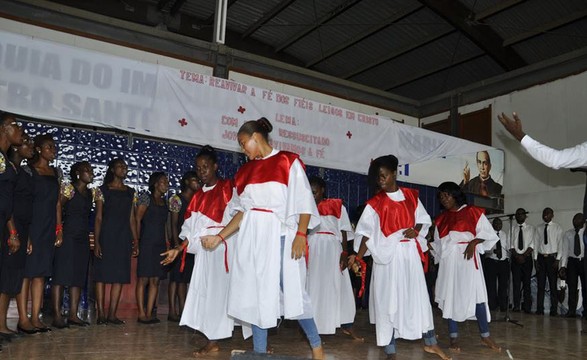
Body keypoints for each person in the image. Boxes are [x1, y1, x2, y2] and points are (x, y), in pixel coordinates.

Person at [199, 117, 324, 359]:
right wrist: (219, 237)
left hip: (280, 234)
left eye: (243, 143)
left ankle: (316, 345)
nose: (243, 149)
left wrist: (301, 234)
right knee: (257, 293)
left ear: (256, 138)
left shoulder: (288, 161)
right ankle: (259, 352)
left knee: (292, 290)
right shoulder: (244, 172)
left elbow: (304, 201)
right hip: (252, 238)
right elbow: (241, 212)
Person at [350, 155, 450, 360]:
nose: (381, 181)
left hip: (410, 256)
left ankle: (431, 343)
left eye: (384, 176)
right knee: (388, 302)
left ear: (394, 174)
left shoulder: (411, 196)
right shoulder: (375, 203)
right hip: (388, 257)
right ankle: (390, 350)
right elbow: (366, 233)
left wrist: (416, 229)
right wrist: (358, 258)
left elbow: (423, 220)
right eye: (378, 178)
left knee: (419, 298)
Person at [161, 145, 236, 356]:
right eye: (198, 167)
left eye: (205, 166)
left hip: (223, 248)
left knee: (226, 295)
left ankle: (259, 340)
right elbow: (190, 231)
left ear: (215, 166)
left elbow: (239, 219)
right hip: (205, 252)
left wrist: (221, 239)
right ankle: (212, 339)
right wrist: (178, 249)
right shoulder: (197, 197)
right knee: (207, 295)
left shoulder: (227, 188)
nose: (201, 171)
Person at [433, 181, 500, 352]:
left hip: (469, 260)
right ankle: (453, 338)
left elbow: (489, 234)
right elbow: (438, 247)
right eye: (441, 197)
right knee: (451, 297)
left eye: (447, 195)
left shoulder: (472, 211)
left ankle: (485, 336)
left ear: (455, 194)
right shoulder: (440, 220)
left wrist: (474, 242)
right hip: (450, 263)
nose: (444, 199)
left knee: (477, 296)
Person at [306, 176, 362, 340]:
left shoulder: (337, 205)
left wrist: (344, 253)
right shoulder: (305, 206)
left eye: (315, 192)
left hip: (332, 247)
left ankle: (346, 324)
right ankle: (312, 327)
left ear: (322, 190)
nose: (312, 195)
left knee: (338, 285)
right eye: (309, 192)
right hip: (314, 246)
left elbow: (344, 230)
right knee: (314, 285)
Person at [22, 134, 61, 332]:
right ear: (38, 149)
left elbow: (57, 204)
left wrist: (59, 228)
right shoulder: (28, 171)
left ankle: (35, 317)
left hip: (48, 226)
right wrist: (25, 233)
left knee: (41, 273)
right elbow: (24, 202)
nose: (53, 149)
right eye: (48, 146)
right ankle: (23, 319)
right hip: (32, 225)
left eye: (54, 147)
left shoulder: (56, 172)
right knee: (27, 273)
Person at [93, 158, 139, 325]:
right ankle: (101, 314)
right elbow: (98, 218)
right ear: (112, 169)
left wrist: (135, 240)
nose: (123, 168)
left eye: (125, 166)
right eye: (120, 166)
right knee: (101, 276)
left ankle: (112, 314)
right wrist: (97, 242)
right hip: (106, 236)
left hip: (123, 237)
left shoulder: (131, 192)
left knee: (119, 276)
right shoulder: (101, 190)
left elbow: (132, 219)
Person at [51, 161, 95, 328]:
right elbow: (58, 206)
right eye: (87, 170)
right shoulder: (69, 188)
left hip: (82, 237)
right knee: (61, 275)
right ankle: (56, 315)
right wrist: (59, 230)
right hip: (68, 234)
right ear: (78, 173)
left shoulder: (90, 193)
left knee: (78, 276)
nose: (91, 173)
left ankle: (73, 315)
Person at [5, 133, 35, 336]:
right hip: (10, 228)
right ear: (16, 147)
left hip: (23, 229)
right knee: (6, 276)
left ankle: (3, 326)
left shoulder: (23, 172)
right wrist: (13, 232)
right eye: (27, 142)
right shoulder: (7, 167)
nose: (30, 145)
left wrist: (27, 236)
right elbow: (8, 206)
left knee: (13, 278)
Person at [0, 113, 23, 344]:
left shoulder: (5, 160)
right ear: (5, 128)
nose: (21, 131)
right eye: (17, 126)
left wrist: (12, 231)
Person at [135, 171, 169, 324]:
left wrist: (168, 243)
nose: (166, 184)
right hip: (147, 243)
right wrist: (136, 240)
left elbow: (165, 225)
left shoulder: (165, 202)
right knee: (143, 280)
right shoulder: (145, 198)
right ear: (155, 184)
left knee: (155, 280)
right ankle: (141, 313)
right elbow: (137, 219)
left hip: (160, 245)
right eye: (163, 182)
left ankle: (149, 313)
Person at [166, 171, 199, 322]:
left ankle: (183, 310)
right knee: (175, 278)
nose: (197, 182)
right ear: (186, 182)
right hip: (178, 245)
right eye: (194, 180)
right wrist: (175, 244)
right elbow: (172, 224)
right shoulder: (176, 199)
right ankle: (172, 311)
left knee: (184, 279)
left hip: (191, 245)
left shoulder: (197, 199)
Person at [534, 207, 563, 316]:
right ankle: (539, 309)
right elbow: (536, 244)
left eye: (548, 213)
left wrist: (558, 259)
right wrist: (535, 259)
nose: (545, 215)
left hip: (552, 259)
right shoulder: (539, 228)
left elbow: (560, 244)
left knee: (552, 285)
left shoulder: (557, 228)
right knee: (540, 285)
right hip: (541, 258)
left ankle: (554, 310)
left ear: (552, 215)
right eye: (544, 213)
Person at [559, 213, 586, 317]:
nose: (574, 221)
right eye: (574, 219)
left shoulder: (585, 233)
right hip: (572, 262)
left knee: (585, 287)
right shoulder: (568, 234)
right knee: (572, 287)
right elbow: (565, 250)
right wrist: (563, 266)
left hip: (584, 261)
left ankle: (585, 311)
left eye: (577, 219)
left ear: (583, 221)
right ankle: (571, 311)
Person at [510, 208, 536, 314]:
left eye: (521, 214)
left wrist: (524, 256)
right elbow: (510, 245)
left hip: (527, 259)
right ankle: (516, 306)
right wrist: (517, 256)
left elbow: (532, 244)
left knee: (526, 283)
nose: (519, 216)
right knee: (516, 283)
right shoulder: (512, 229)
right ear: (515, 216)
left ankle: (527, 307)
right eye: (517, 214)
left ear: (525, 216)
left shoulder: (531, 229)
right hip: (515, 259)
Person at [484, 218, 511, 312]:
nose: (498, 225)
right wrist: (493, 250)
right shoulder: (488, 234)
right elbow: (484, 249)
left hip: (503, 262)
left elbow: (507, 247)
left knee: (503, 284)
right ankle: (492, 305)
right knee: (491, 284)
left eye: (500, 223)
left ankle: (503, 305)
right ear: (493, 224)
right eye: (496, 223)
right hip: (492, 261)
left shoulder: (504, 234)